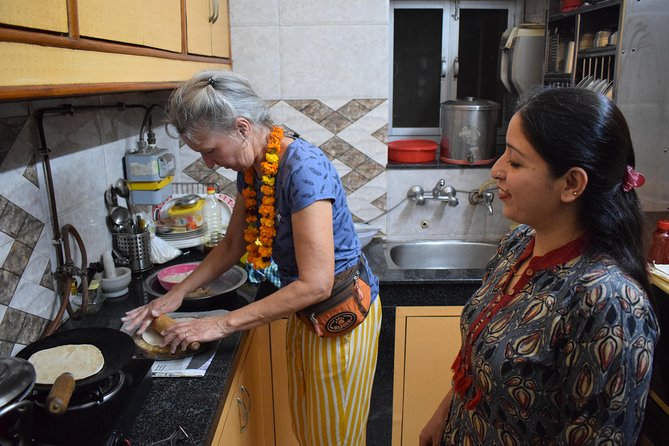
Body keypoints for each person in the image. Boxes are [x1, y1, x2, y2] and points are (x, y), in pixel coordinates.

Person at [122, 70, 382, 446]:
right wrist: (177, 294)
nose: (209, 163)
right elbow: (232, 246)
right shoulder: (253, 167)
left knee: (334, 439)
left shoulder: (303, 168)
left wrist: (221, 324)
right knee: (311, 433)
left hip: (340, 316)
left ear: (242, 127)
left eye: (209, 150)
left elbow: (317, 282)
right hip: (305, 313)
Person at [420, 87, 659, 446]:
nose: (496, 169)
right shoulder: (518, 245)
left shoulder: (609, 302)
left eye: (515, 162)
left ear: (571, 184)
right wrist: (445, 415)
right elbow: (477, 362)